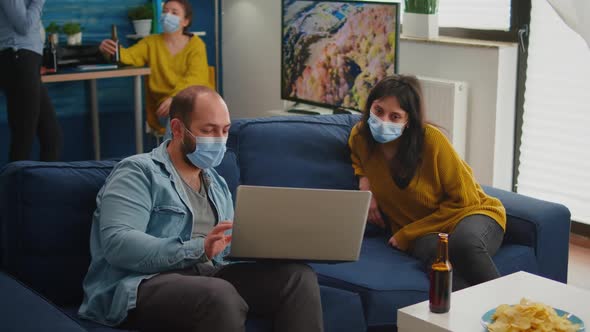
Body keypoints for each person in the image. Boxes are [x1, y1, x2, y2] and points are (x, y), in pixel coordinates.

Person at [78, 85, 324, 332]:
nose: (219, 140)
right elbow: (117, 244)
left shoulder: (216, 184)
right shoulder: (137, 172)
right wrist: (199, 248)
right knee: (219, 294)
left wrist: (279, 245)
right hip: (141, 283)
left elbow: (226, 252)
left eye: (225, 130)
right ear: (177, 129)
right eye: (208, 130)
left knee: (298, 277)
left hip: (208, 276)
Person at [348, 75, 506, 290]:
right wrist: (364, 182)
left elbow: (464, 200)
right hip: (426, 233)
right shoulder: (360, 136)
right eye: (378, 111)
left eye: (395, 116)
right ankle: (462, 319)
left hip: (470, 212)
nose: (383, 121)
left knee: (463, 245)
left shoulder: (431, 140)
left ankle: (510, 315)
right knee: (438, 260)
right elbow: (357, 157)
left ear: (408, 120)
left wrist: (407, 234)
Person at [98, 0, 212, 136]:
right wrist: (110, 50)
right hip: (165, 108)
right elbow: (129, 56)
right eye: (165, 11)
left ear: (185, 21)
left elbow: (195, 77)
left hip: (194, 102)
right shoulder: (150, 42)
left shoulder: (196, 45)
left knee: (192, 122)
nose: (167, 15)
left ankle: (180, 154)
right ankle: (174, 155)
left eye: (174, 12)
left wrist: (175, 98)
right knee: (178, 121)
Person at [0, 0, 63, 161]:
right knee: (23, 137)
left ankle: (46, 185)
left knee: (51, 135)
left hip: (27, 60)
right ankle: (14, 186)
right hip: (18, 58)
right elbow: (24, 25)